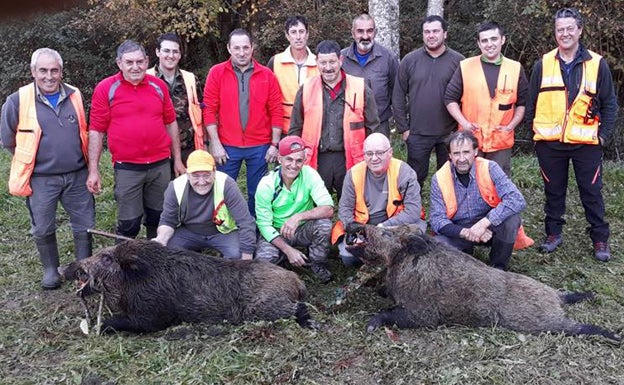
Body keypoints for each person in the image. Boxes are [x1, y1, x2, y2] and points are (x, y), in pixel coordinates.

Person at [524, 8, 618, 261]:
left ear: (579, 30)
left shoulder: (597, 64)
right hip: (549, 143)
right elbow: (531, 103)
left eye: (569, 29)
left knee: (592, 192)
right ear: (555, 33)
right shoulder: (542, 64)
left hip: (586, 143)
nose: (564, 34)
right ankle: (553, 234)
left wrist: (603, 136)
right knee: (553, 191)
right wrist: (536, 133)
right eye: (559, 29)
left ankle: (600, 239)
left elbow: (610, 104)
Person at [0, 48, 95, 289]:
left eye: (54, 70)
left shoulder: (74, 95)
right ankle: (51, 271)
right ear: (33, 72)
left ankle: (83, 272)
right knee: (42, 226)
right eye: (43, 70)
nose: (49, 76)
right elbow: (9, 140)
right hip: (41, 178)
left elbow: (83, 130)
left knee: (85, 223)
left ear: (61, 71)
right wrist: (35, 160)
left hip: (77, 174)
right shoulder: (17, 101)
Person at [87, 40, 185, 240]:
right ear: (119, 63)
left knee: (158, 219)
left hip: (160, 165)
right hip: (127, 168)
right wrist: (93, 170)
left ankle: (155, 261)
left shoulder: (158, 86)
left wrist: (177, 159)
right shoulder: (106, 88)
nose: (135, 67)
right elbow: (96, 130)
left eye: (140, 62)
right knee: (129, 223)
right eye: (129, 62)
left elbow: (171, 122)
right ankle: (122, 265)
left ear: (147, 60)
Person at [203, 28, 283, 217]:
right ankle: (226, 229)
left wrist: (274, 144)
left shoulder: (267, 75)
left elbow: (276, 110)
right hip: (227, 146)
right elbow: (209, 109)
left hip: (260, 145)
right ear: (229, 48)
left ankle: (254, 231)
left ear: (252, 48)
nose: (241, 52)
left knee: (258, 193)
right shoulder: (216, 73)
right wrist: (215, 143)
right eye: (236, 48)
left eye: (245, 48)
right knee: (224, 191)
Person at [289, 39, 380, 199]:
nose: (328, 67)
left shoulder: (360, 87)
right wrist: (294, 157)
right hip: (316, 158)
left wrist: (374, 156)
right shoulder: (306, 88)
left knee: (355, 205)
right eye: (323, 62)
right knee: (314, 204)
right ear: (316, 62)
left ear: (340, 60)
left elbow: (373, 127)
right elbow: (296, 128)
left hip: (351, 158)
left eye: (332, 61)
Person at [429, 131, 527, 270]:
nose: (461, 158)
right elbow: (437, 220)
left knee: (511, 220)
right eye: (456, 153)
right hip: (459, 230)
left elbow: (517, 199)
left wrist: (484, 223)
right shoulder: (439, 178)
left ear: (475, 152)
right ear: (450, 155)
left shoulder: (490, 167)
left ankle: (498, 268)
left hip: (490, 227)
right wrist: (467, 232)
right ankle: (465, 253)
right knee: (436, 245)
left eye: (466, 152)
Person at [445, 21, 528, 176]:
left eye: (493, 39)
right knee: (468, 182)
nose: (489, 44)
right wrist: (464, 124)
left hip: (500, 141)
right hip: (470, 141)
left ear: (502, 40)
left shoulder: (515, 68)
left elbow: (522, 103)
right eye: (484, 40)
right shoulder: (466, 66)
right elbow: (450, 99)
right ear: (479, 44)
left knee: (498, 184)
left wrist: (511, 126)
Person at [393, 15, 464, 190]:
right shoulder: (409, 60)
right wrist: (404, 128)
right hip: (417, 132)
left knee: (450, 177)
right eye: (427, 32)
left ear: (445, 34)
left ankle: (449, 211)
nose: (431, 35)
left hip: (450, 132)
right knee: (415, 177)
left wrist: (461, 127)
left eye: (435, 31)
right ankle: (413, 211)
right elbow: (398, 95)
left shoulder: (459, 61)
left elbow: (467, 95)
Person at [333, 133, 426, 267]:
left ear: (390, 153)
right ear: (364, 155)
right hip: (364, 227)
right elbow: (345, 209)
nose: (374, 158)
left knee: (415, 240)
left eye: (379, 153)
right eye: (369, 154)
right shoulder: (353, 174)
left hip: (396, 225)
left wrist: (381, 229)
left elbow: (413, 211)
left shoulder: (404, 172)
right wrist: (355, 230)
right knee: (348, 258)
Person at [255, 136, 334, 283]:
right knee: (262, 265)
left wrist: (298, 217)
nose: (294, 165)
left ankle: (317, 263)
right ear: (279, 159)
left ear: (304, 160)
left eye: (299, 160)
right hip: (277, 232)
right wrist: (288, 250)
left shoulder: (310, 174)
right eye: (289, 159)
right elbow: (264, 225)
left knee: (324, 224)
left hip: (303, 228)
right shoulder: (266, 185)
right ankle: (284, 258)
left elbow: (328, 209)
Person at [153, 150, 256, 259]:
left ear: (214, 172)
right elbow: (168, 221)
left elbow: (245, 222)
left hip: (223, 233)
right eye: (196, 176)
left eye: (206, 175)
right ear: (187, 174)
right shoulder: (175, 187)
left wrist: (246, 260)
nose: (201, 182)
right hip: (189, 232)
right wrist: (161, 240)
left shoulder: (227, 185)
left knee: (238, 254)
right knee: (167, 252)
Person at [147, 32, 205, 166]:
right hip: (157, 150)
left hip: (188, 149)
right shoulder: (146, 79)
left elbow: (201, 114)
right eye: (166, 51)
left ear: (179, 55)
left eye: (175, 52)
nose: (171, 56)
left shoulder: (190, 79)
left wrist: (205, 145)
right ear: (157, 52)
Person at [341, 13, 399, 138]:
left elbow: (396, 92)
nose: (365, 36)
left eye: (370, 31)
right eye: (360, 31)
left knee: (378, 157)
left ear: (376, 32)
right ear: (353, 33)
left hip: (379, 125)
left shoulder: (388, 58)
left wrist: (401, 124)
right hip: (349, 125)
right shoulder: (341, 59)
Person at [267, 15, 319, 135]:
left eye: (301, 31)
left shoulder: (319, 62)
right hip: (283, 131)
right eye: (293, 32)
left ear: (307, 34)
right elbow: (268, 98)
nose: (298, 37)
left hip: (313, 130)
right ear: (287, 35)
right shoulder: (275, 62)